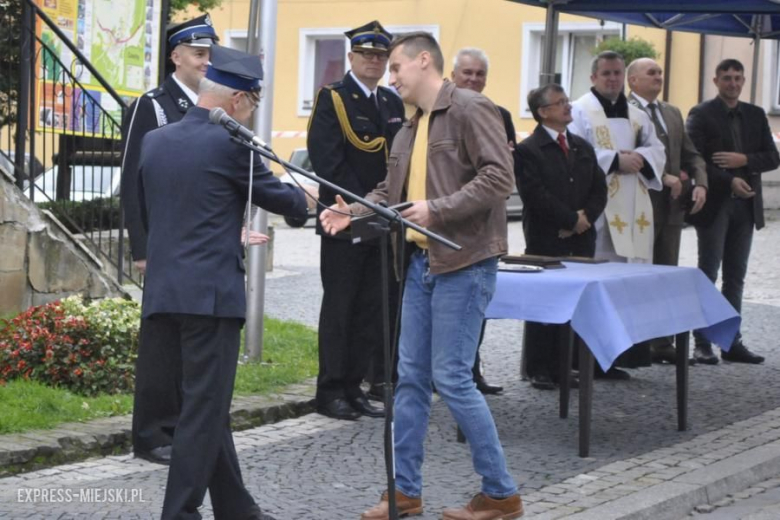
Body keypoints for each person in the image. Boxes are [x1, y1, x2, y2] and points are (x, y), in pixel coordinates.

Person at [321, 32, 523, 520]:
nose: (391, 78)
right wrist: (357, 214)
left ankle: (501, 493)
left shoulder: (474, 109)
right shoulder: (409, 127)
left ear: (424, 61)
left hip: (465, 261)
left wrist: (441, 208)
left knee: (451, 379)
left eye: (396, 68)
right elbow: (392, 194)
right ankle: (404, 492)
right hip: (418, 264)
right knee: (408, 379)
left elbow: (500, 178)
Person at [137, 45, 307, 520]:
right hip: (210, 299)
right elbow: (283, 200)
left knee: (205, 406)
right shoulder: (232, 143)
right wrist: (313, 195)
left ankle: (236, 508)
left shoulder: (156, 140)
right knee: (202, 411)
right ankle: (180, 513)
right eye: (252, 104)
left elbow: (161, 214)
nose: (251, 114)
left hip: (165, 295)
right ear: (237, 101)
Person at [120, 14, 218, 465]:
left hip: (196, 242)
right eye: (198, 54)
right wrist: (141, 249)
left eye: (209, 55)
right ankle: (151, 433)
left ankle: (180, 425)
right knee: (161, 343)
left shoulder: (209, 107)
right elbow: (131, 179)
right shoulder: (154, 105)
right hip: (162, 243)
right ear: (176, 56)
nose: (205, 62)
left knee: (189, 342)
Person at [307, 20, 405, 421]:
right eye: (367, 54)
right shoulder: (333, 97)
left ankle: (355, 387)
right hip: (343, 218)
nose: (375, 62)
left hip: (382, 221)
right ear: (351, 57)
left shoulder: (392, 102)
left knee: (371, 310)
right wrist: (358, 207)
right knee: (340, 309)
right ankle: (330, 390)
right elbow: (327, 161)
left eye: (381, 56)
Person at [569, 51, 666, 378]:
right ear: (593, 77)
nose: (613, 79)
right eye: (607, 73)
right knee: (596, 285)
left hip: (635, 209)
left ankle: (615, 358)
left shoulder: (639, 116)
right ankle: (585, 360)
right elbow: (575, 153)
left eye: (617, 73)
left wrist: (639, 157)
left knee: (623, 286)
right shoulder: (580, 110)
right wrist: (613, 160)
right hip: (599, 211)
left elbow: (657, 150)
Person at [686, 59, 779, 365]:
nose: (733, 83)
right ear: (716, 81)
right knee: (708, 273)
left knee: (736, 278)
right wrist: (730, 180)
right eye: (727, 78)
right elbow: (694, 159)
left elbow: (772, 157)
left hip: (746, 205)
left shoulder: (754, 114)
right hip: (715, 204)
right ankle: (701, 342)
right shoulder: (702, 113)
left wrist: (744, 161)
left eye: (738, 78)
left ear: (743, 79)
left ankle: (730, 341)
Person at [517, 84, 607, 390]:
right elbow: (534, 195)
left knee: (574, 304)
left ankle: (566, 365)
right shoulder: (529, 150)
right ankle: (539, 367)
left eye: (567, 101)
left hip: (581, 239)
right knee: (544, 304)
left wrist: (585, 219)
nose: (568, 106)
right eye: (560, 103)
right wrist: (569, 219)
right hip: (547, 239)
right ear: (544, 113)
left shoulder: (582, 146)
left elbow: (599, 189)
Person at [626, 58, 708, 364]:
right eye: (651, 73)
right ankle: (635, 343)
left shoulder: (671, 112)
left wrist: (700, 182)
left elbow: (692, 154)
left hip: (671, 210)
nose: (658, 76)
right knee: (637, 276)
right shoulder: (624, 112)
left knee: (665, 274)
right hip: (637, 208)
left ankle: (662, 342)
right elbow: (631, 157)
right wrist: (662, 178)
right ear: (632, 80)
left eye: (660, 72)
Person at [450, 47, 514, 395]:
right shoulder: (442, 111)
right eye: (467, 73)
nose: (473, 79)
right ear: (452, 75)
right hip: (450, 218)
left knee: (476, 308)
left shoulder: (497, 113)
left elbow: (504, 170)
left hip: (485, 221)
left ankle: (473, 370)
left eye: (479, 74)